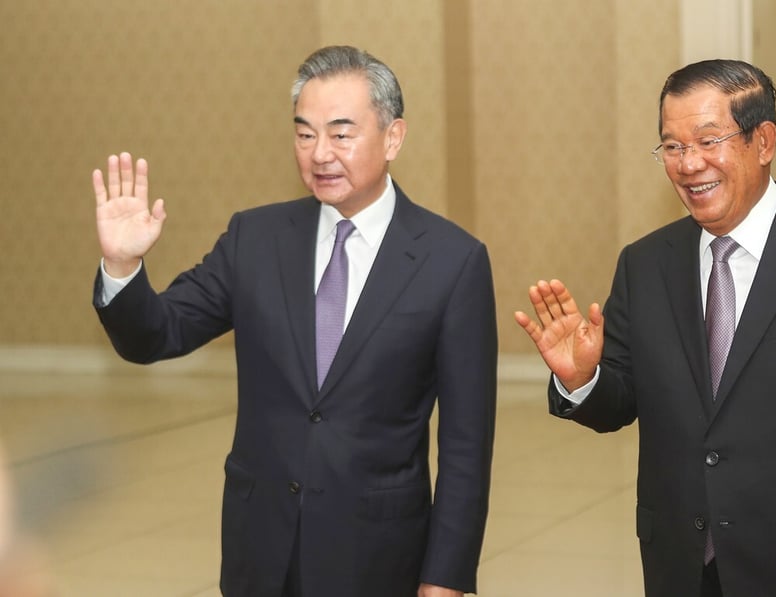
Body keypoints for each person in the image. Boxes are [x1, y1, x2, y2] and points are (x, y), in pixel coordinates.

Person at [91, 45, 497, 597]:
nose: (320, 153)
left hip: (377, 554)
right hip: (260, 549)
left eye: (341, 133)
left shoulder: (452, 261)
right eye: (305, 134)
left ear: (393, 137)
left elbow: (467, 444)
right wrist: (122, 264)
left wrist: (445, 577)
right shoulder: (254, 239)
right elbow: (157, 334)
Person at [514, 59, 776, 597]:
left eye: (708, 141)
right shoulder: (645, 264)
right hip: (682, 567)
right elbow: (620, 402)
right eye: (673, 147)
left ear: (764, 141)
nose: (689, 164)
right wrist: (581, 379)